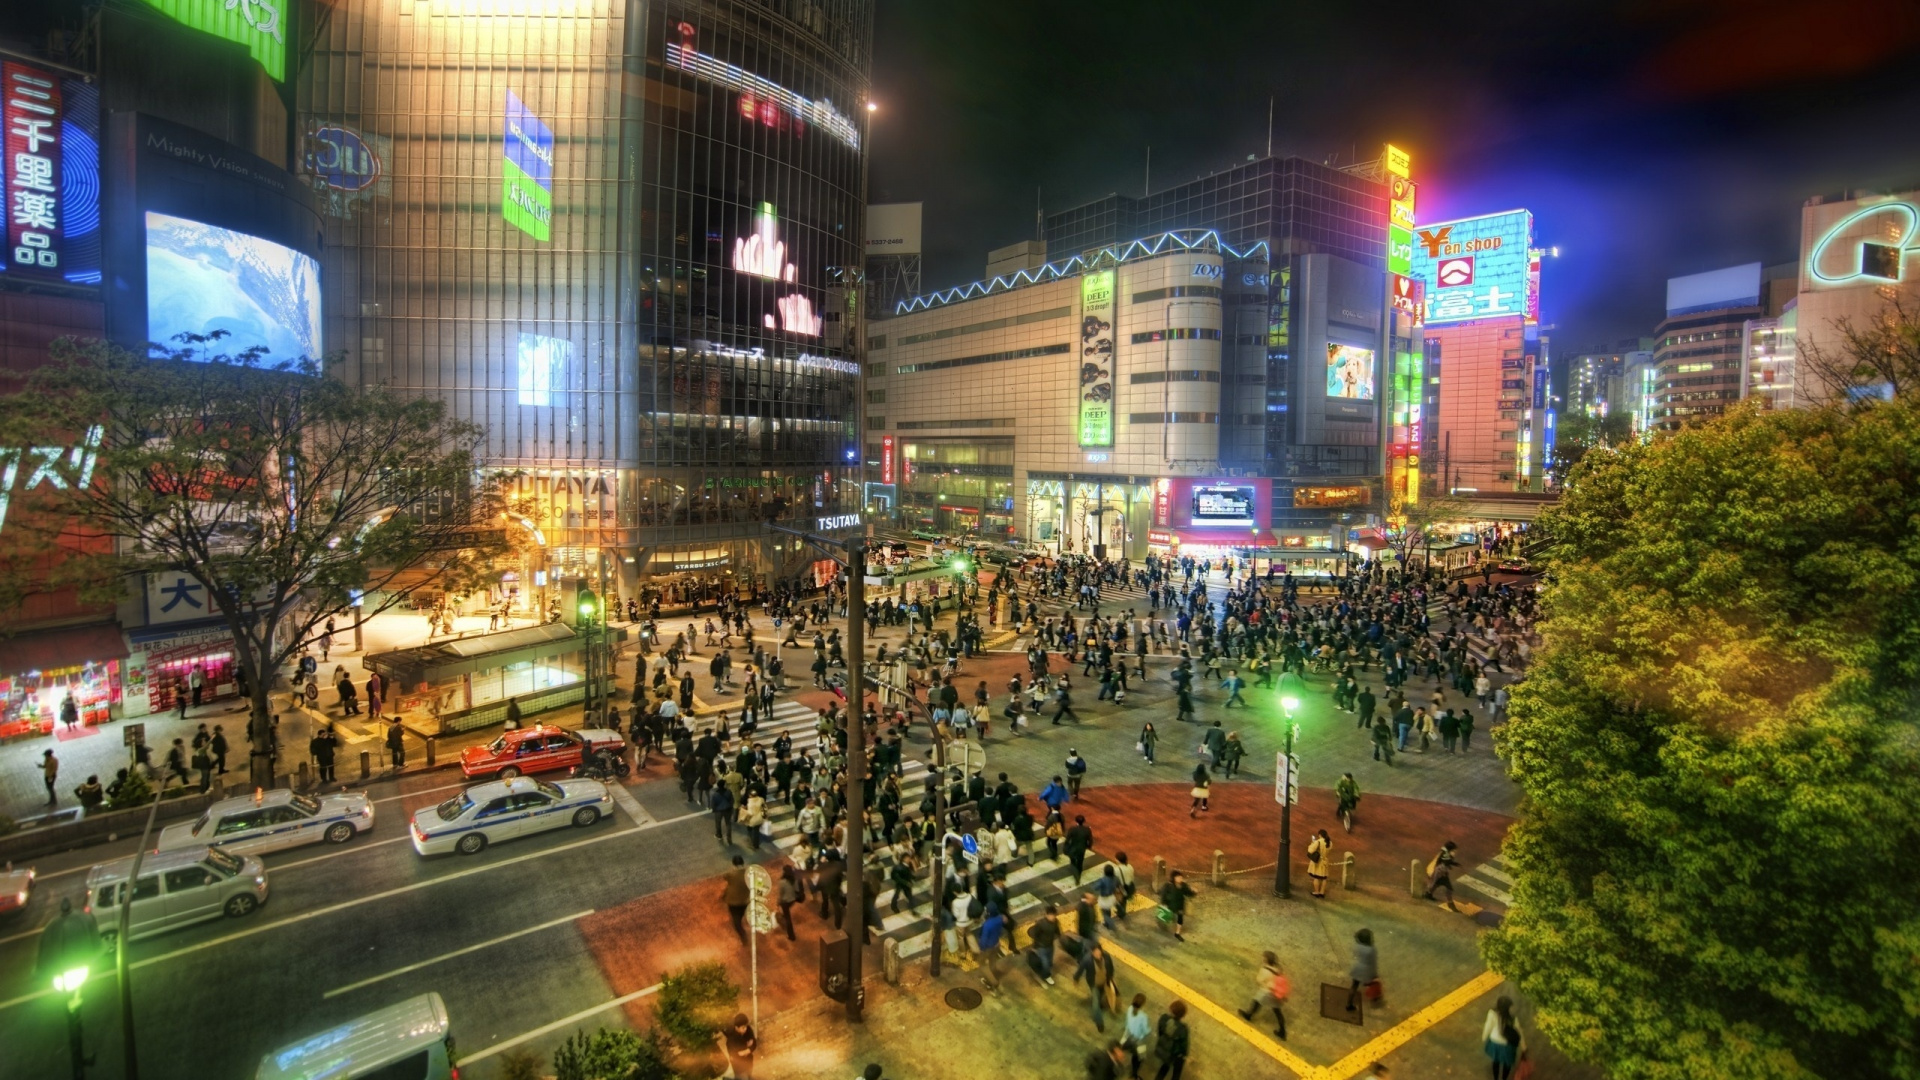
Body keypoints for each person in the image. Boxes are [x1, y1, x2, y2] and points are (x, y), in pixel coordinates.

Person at [1237, 950, 1289, 1039]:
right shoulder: (1277, 969)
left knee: (1256, 1001)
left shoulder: (1265, 970)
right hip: (1276, 992)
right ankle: (1282, 1031)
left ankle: (1248, 1015)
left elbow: (1259, 980)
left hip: (1267, 991)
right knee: (1277, 1011)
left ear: (1266, 959)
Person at [1482, 995, 1524, 1080]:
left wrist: (1484, 1037)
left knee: (1496, 1061)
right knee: (1507, 1064)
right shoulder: (1512, 1019)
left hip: (1495, 1042)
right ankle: (1504, 1078)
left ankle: (1496, 1078)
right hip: (1507, 1045)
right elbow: (1519, 1032)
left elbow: (1488, 1026)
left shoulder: (1492, 1013)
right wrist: (1524, 1047)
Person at [1151, 999, 1190, 1080]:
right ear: (1182, 1015)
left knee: (1165, 1066)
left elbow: (1160, 1032)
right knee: (1177, 1072)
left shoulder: (1164, 1019)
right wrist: (1184, 1055)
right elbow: (1184, 1045)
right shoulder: (1182, 1029)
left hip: (1165, 1050)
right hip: (1176, 1054)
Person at [1346, 928, 1380, 1013]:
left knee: (1354, 985)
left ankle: (1349, 1004)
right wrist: (1374, 972)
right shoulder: (1372, 949)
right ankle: (1374, 997)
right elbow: (1373, 962)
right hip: (1367, 969)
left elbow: (1355, 954)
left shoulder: (1358, 946)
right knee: (1371, 982)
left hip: (1358, 967)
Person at [1158, 871, 1195, 942]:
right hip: (1170, 905)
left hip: (1180, 905)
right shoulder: (1168, 885)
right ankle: (1164, 923)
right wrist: (1163, 903)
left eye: (1181, 877)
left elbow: (1188, 893)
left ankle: (1177, 932)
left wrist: (1194, 892)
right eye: (1178, 877)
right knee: (1169, 916)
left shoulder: (1183, 885)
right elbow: (1163, 894)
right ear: (1174, 878)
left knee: (1180, 918)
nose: (1180, 879)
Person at [1123, 994, 1153, 1078]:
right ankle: (1134, 1073)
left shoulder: (1129, 1009)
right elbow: (1145, 1030)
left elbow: (1127, 1023)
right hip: (1138, 1041)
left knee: (1130, 1052)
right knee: (1140, 1058)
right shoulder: (1143, 1016)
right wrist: (1149, 1030)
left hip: (1128, 1036)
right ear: (1143, 1004)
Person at [1424, 840, 1460, 910]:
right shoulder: (1446, 855)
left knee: (1436, 884)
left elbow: (1445, 862)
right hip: (1441, 873)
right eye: (1454, 851)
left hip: (1441, 873)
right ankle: (1450, 904)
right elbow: (1446, 862)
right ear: (1450, 850)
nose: (1455, 852)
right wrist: (1453, 862)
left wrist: (1454, 863)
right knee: (1449, 888)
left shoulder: (1444, 854)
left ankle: (1428, 894)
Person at [721, 1012, 757, 1080]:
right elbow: (735, 1055)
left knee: (749, 1077)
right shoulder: (731, 1040)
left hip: (749, 1063)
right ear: (736, 1027)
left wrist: (746, 1051)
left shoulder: (748, 1029)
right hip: (739, 1068)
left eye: (746, 1026)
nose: (745, 1029)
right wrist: (747, 1048)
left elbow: (754, 1044)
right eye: (743, 1028)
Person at [722, 855, 750, 942]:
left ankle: (743, 935)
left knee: (736, 920)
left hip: (733, 901)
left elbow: (725, 876)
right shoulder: (748, 872)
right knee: (743, 913)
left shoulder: (731, 873)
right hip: (746, 900)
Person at [1065, 814, 1095, 885]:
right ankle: (1079, 873)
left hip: (1073, 848)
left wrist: (1066, 847)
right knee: (1080, 862)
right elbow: (1090, 840)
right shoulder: (1087, 830)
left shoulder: (1072, 829)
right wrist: (1088, 846)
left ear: (1076, 821)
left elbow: (1068, 839)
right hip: (1082, 848)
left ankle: (1077, 878)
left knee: (1072, 862)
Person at [1307, 829, 1333, 899]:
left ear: (1320, 835)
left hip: (1318, 862)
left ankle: (1316, 891)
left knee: (1316, 877)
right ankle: (1322, 892)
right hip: (1325, 861)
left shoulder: (1318, 842)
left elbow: (1310, 850)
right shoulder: (1330, 842)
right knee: (1324, 878)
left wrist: (1312, 843)